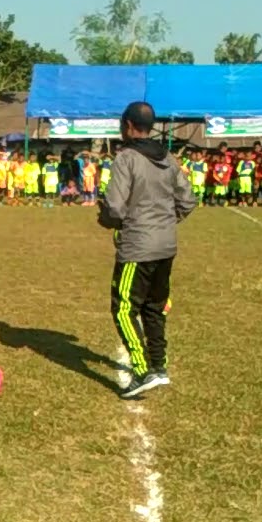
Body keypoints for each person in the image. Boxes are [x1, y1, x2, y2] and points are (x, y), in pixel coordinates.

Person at [97, 101, 196, 399]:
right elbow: (188, 201)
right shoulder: (167, 157)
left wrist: (107, 220)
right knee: (154, 308)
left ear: (128, 125)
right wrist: (165, 222)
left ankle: (142, 371)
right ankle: (160, 366)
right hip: (166, 245)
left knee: (124, 308)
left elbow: (115, 206)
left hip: (138, 246)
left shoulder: (126, 158)